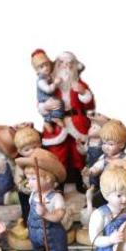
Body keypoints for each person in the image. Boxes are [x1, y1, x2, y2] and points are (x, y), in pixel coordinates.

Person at [41, 51, 95, 191]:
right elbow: (41, 101)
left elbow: (89, 105)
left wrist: (83, 92)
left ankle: (79, 182)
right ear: (57, 67)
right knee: (58, 154)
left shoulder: (79, 84)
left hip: (77, 123)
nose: (66, 67)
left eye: (70, 64)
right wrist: (45, 106)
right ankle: (58, 184)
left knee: (79, 154)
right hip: (57, 124)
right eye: (62, 64)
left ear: (75, 67)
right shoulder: (50, 86)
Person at [16, 148, 72, 251]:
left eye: (33, 179)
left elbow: (59, 215)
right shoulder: (33, 195)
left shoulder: (56, 197)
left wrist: (46, 214)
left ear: (48, 179)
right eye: (28, 179)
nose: (29, 183)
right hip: (35, 233)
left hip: (52, 234)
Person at [31, 49, 64, 134]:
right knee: (58, 103)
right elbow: (48, 90)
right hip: (44, 100)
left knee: (56, 104)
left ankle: (47, 122)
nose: (45, 68)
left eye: (46, 65)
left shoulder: (47, 76)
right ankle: (55, 117)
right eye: (41, 67)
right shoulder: (41, 80)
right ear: (37, 70)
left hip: (48, 99)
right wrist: (55, 83)